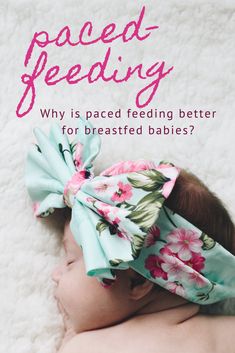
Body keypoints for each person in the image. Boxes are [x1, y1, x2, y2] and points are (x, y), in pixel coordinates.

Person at [25, 119, 235, 353]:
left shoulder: (91, 346)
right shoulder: (226, 332)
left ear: (138, 282)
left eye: (71, 261)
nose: (56, 274)